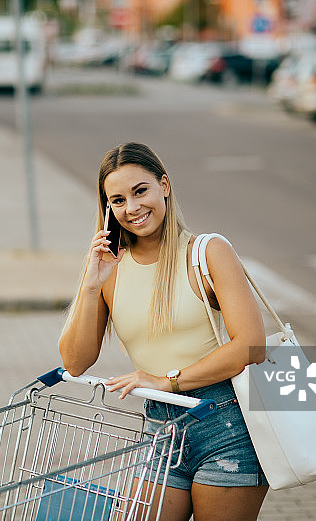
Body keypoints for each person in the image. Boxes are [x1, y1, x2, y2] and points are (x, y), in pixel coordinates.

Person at [58, 142, 269, 520]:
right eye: (118, 200)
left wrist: (166, 381)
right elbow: (75, 362)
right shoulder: (111, 268)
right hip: (161, 426)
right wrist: (91, 285)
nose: (132, 208)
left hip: (227, 424)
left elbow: (251, 347)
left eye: (141, 191)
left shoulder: (206, 252)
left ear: (164, 186)